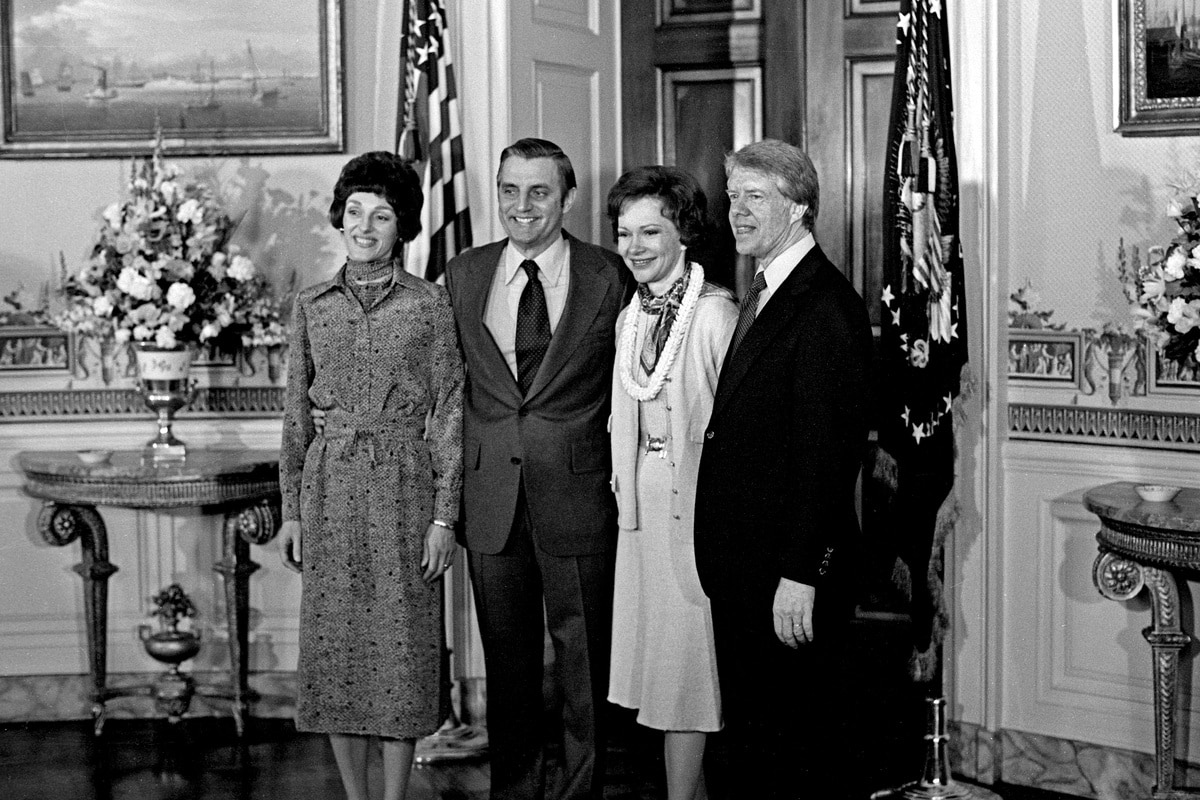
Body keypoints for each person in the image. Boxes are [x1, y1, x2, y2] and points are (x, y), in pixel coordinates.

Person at [443, 138, 632, 800]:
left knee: (583, 665)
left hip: (579, 496)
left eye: (539, 191)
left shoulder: (609, 275)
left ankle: (581, 791)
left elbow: (631, 385)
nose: (521, 206)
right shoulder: (464, 273)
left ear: (568, 198)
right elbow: (447, 388)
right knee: (508, 664)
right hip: (490, 497)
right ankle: (515, 790)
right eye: (509, 191)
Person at [278, 151, 463, 800]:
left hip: (403, 490)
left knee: (401, 652)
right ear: (340, 217)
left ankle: (394, 797)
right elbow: (295, 415)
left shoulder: (430, 305)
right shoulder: (312, 304)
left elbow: (448, 413)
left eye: (380, 215)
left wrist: (444, 517)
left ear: (401, 225)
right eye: (354, 211)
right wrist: (293, 511)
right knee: (337, 658)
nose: (364, 225)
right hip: (329, 490)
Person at [693, 140, 872, 799]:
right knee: (757, 742)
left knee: (796, 751)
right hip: (745, 566)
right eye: (733, 196)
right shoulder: (765, 290)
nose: (737, 211)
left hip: (787, 576)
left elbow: (828, 457)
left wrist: (802, 571)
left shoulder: (825, 307)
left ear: (799, 208)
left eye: (756, 198)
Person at [604, 166, 735, 800]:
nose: (634, 247)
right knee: (661, 670)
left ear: (684, 231)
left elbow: (737, 433)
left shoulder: (714, 315)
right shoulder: (633, 314)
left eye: (650, 231)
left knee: (687, 670)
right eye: (625, 233)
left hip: (697, 513)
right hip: (645, 509)